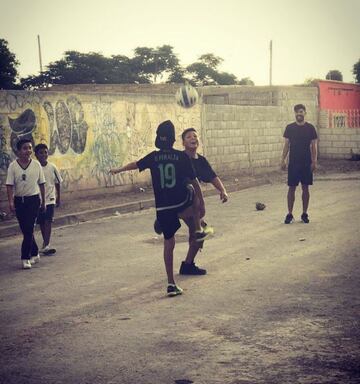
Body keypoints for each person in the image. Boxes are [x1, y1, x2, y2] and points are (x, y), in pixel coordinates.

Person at [109, 120, 210, 297]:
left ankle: (171, 283)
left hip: (163, 207)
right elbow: (194, 181)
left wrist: (118, 170)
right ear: (172, 139)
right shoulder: (181, 157)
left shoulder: (153, 157)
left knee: (168, 243)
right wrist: (201, 203)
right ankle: (199, 227)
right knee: (192, 189)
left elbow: (135, 164)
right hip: (180, 201)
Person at [178, 127, 228, 275]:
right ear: (183, 142)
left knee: (198, 233)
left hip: (193, 204)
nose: (193, 138)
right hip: (180, 202)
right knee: (202, 231)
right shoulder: (179, 159)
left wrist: (223, 191)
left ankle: (188, 264)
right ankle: (187, 265)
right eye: (188, 137)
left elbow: (212, 176)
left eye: (195, 136)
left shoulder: (201, 160)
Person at [6, 139, 46, 269]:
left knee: (29, 229)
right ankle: (34, 252)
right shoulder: (13, 166)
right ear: (18, 151)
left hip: (33, 200)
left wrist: (44, 201)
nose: (28, 151)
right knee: (26, 230)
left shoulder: (36, 165)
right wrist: (11, 202)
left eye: (29, 148)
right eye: (24, 148)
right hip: (20, 201)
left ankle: (25, 257)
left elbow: (42, 184)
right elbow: (9, 185)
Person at [281, 104, 318, 224]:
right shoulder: (289, 128)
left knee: (305, 188)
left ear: (305, 113)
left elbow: (314, 146)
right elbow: (286, 145)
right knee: (291, 188)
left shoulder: (311, 128)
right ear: (295, 114)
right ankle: (290, 214)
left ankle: (304, 213)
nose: (299, 114)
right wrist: (283, 160)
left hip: (306, 163)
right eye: (297, 112)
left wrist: (314, 161)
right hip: (293, 163)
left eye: (301, 112)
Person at [34, 143, 62, 255]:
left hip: (50, 198)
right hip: (38, 199)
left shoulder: (52, 167)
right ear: (36, 155)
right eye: (41, 153)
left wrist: (59, 197)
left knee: (48, 221)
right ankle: (45, 244)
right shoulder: (35, 167)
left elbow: (58, 182)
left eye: (45, 152)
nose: (44, 154)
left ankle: (46, 244)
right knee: (41, 221)